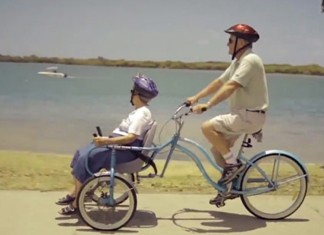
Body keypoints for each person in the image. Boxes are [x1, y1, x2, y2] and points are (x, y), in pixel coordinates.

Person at [186, 24, 269, 202]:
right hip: (244, 115)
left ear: (241, 42)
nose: (227, 44)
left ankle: (233, 166)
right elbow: (219, 82)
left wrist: (207, 105)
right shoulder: (238, 62)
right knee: (218, 150)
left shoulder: (250, 60)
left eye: (230, 40)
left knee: (207, 127)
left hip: (249, 115)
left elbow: (231, 86)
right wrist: (196, 97)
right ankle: (233, 184)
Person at [56, 73, 159, 215]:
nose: (131, 94)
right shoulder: (139, 112)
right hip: (119, 147)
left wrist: (106, 141)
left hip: (124, 151)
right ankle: (76, 193)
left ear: (137, 95)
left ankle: (76, 202)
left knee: (85, 158)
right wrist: (106, 140)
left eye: (132, 91)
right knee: (80, 153)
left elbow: (130, 138)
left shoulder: (142, 114)